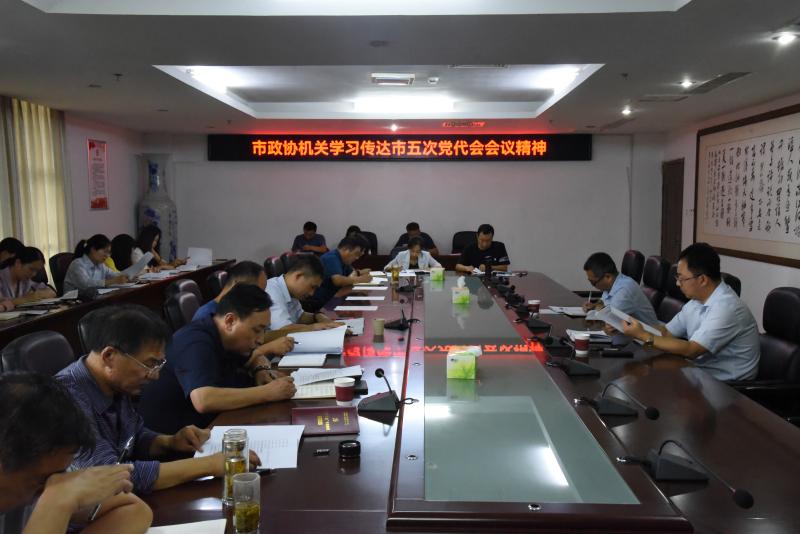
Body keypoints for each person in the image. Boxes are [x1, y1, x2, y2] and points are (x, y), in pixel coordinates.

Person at [57, 305, 260, 495]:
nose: (154, 375)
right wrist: (210, 464)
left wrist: (169, 442)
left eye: (159, 364)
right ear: (109, 356)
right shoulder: (65, 400)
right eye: (149, 364)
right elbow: (110, 478)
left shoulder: (115, 382)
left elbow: (133, 437)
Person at [0, 372, 152, 534]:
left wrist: (57, 500)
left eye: (56, 476)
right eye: (42, 479)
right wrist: (56, 504)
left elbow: (134, 509)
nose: (52, 486)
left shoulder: (43, 487)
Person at [138, 285, 297, 434]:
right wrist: (268, 392)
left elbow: (255, 356)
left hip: (211, 425)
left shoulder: (228, 337)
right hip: (177, 439)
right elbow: (204, 400)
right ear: (230, 321)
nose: (260, 340)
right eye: (256, 330)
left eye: (264, 330)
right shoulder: (195, 341)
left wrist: (260, 370)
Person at [622, 242, 760, 381]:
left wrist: (643, 335)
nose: (677, 283)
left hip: (727, 387)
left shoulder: (727, 308)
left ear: (702, 280)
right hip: (699, 375)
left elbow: (691, 350)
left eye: (682, 278)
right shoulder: (696, 301)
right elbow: (666, 332)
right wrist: (628, 329)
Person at [192, 261, 295, 359]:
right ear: (237, 285)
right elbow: (227, 363)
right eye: (256, 291)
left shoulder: (243, 309)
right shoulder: (207, 317)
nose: (260, 297)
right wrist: (267, 349)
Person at [267, 254, 341, 332]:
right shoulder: (272, 291)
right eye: (312, 287)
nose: (312, 293)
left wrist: (318, 316)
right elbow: (281, 329)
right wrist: (315, 327)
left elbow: (300, 316)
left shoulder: (291, 291)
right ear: (298, 276)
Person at [582, 252, 658, 326]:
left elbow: (609, 317)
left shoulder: (624, 289)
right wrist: (594, 305)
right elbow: (603, 302)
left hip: (648, 333)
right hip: (629, 330)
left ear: (608, 277)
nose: (593, 286)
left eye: (593, 282)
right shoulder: (612, 284)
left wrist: (596, 308)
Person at [306, 235, 372, 311]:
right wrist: (360, 279)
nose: (357, 258)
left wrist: (358, 274)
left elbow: (352, 273)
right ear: (346, 249)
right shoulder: (331, 258)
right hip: (322, 303)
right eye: (356, 254)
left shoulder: (344, 260)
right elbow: (337, 280)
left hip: (335, 297)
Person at [63, 235, 129, 293]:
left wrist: (127, 276)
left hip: (93, 299)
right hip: (74, 301)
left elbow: (114, 274)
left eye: (109, 253)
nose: (107, 256)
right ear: (93, 249)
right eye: (105, 251)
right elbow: (86, 284)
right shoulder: (77, 264)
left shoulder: (101, 265)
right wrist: (112, 281)